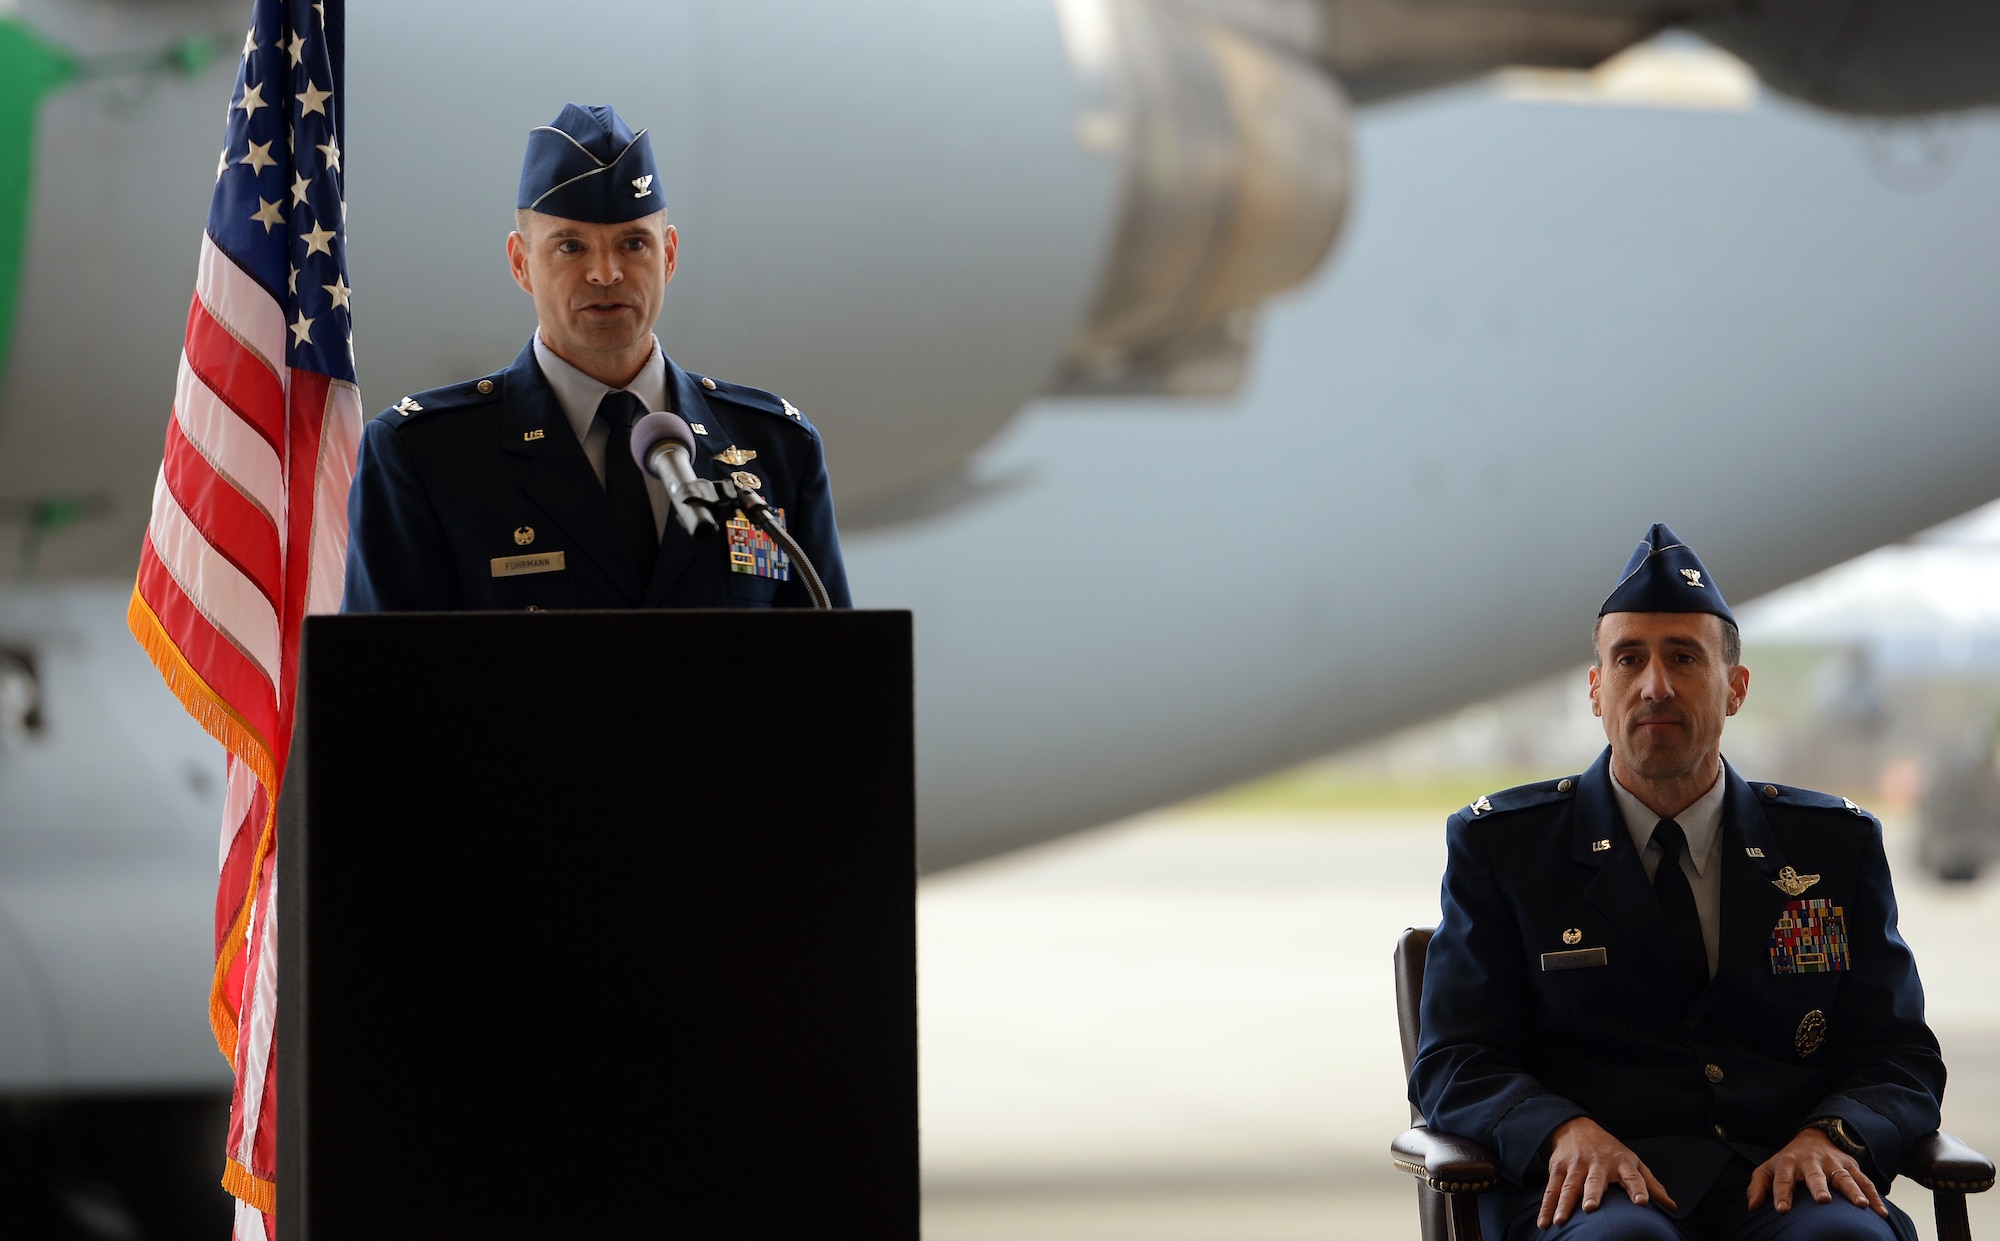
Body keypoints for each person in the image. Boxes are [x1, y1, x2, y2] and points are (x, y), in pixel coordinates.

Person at [1410, 523, 1945, 1241]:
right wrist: (1559, 1130)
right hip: (1598, 1194)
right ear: (1598, 690)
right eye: (1629, 658)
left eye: (1684, 657)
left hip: (1785, 1183)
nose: (1654, 684)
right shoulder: (1505, 849)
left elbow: (1900, 1054)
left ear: (1736, 688)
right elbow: (1455, 1059)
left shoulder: (1832, 847)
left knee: (1843, 1238)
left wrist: (1837, 1134)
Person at [342, 103, 850, 612]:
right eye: (570, 247)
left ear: (668, 256)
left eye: (633, 243)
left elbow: (834, 673)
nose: (605, 273)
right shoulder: (426, 455)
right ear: (522, 264)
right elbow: (383, 683)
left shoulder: (776, 448)